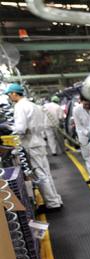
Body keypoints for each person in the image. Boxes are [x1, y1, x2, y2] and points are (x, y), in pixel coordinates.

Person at [5, 84, 63, 212]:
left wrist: (8, 128)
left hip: (30, 143)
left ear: (15, 93)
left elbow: (20, 129)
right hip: (39, 141)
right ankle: (56, 199)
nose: (9, 97)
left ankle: (52, 204)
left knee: (41, 174)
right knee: (46, 173)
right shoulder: (33, 105)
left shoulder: (20, 107)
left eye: (9, 94)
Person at [72, 95, 90, 184]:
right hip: (83, 135)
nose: (87, 106)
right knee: (86, 156)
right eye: (85, 104)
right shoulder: (76, 110)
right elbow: (78, 125)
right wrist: (86, 132)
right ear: (80, 101)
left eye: (88, 104)